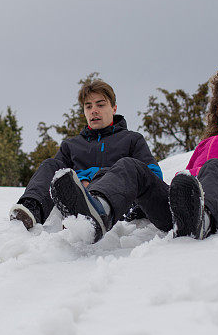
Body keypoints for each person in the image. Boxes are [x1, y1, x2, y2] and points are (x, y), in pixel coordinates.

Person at [50, 69, 218, 240]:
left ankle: (203, 220)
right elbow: (186, 176)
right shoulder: (207, 141)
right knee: (131, 165)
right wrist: (187, 182)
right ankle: (96, 211)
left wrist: (212, 174)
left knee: (215, 167)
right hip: (185, 205)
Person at [9, 78, 162, 237]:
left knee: (125, 166)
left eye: (100, 105)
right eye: (88, 106)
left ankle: (92, 207)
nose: (94, 110)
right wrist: (80, 183)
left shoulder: (132, 139)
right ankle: (31, 210)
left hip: (119, 204)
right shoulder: (71, 145)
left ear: (114, 108)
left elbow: (151, 176)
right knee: (50, 165)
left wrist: (96, 179)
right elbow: (56, 179)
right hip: (79, 199)